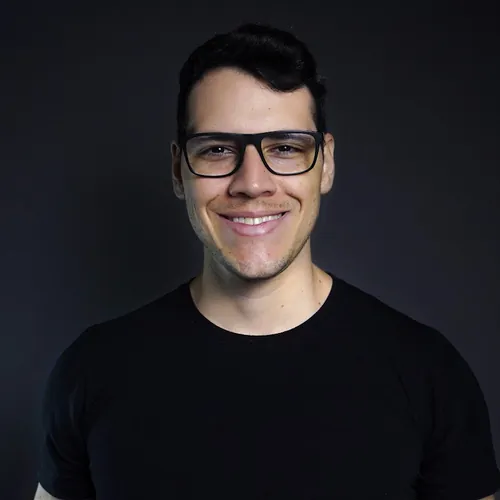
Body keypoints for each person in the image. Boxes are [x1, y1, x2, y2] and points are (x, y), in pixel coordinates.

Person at [34, 23, 500, 500]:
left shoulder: (428, 373)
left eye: (285, 148)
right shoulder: (91, 370)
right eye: (217, 149)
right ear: (178, 169)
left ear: (326, 164)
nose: (252, 183)